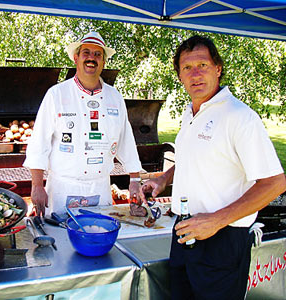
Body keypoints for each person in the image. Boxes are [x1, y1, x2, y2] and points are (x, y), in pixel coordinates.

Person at [140, 35, 286, 299]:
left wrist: (216, 221)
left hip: (222, 238)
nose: (195, 74)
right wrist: (164, 179)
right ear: (179, 76)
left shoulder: (240, 118)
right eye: (187, 68)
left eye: (202, 65)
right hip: (184, 232)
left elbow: (275, 182)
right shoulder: (191, 113)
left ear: (217, 69)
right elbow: (189, 157)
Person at [24, 31, 142, 216]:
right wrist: (37, 185)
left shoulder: (115, 97)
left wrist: (135, 181)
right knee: (60, 241)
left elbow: (126, 140)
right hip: (63, 190)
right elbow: (39, 144)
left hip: (100, 190)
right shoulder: (57, 94)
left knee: (99, 238)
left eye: (98, 54)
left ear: (103, 62)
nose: (91, 58)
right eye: (86, 53)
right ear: (76, 58)